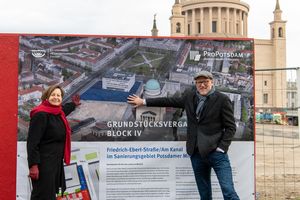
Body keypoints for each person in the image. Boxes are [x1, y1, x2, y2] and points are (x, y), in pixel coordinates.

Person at [127, 71, 239, 200]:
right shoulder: (189, 97)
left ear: (211, 82)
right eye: (199, 82)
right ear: (196, 84)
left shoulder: (222, 99)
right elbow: (169, 101)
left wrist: (221, 148)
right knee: (204, 194)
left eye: (205, 82)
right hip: (196, 154)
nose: (202, 85)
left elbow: (231, 127)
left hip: (216, 154)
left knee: (228, 192)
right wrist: (144, 101)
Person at [27, 85, 81, 200]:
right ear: (47, 96)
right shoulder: (40, 115)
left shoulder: (57, 113)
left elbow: (63, 110)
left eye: (59, 95)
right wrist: (33, 166)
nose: (56, 97)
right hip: (43, 165)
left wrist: (73, 105)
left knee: (50, 195)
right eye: (53, 95)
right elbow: (32, 143)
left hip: (54, 162)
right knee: (42, 195)